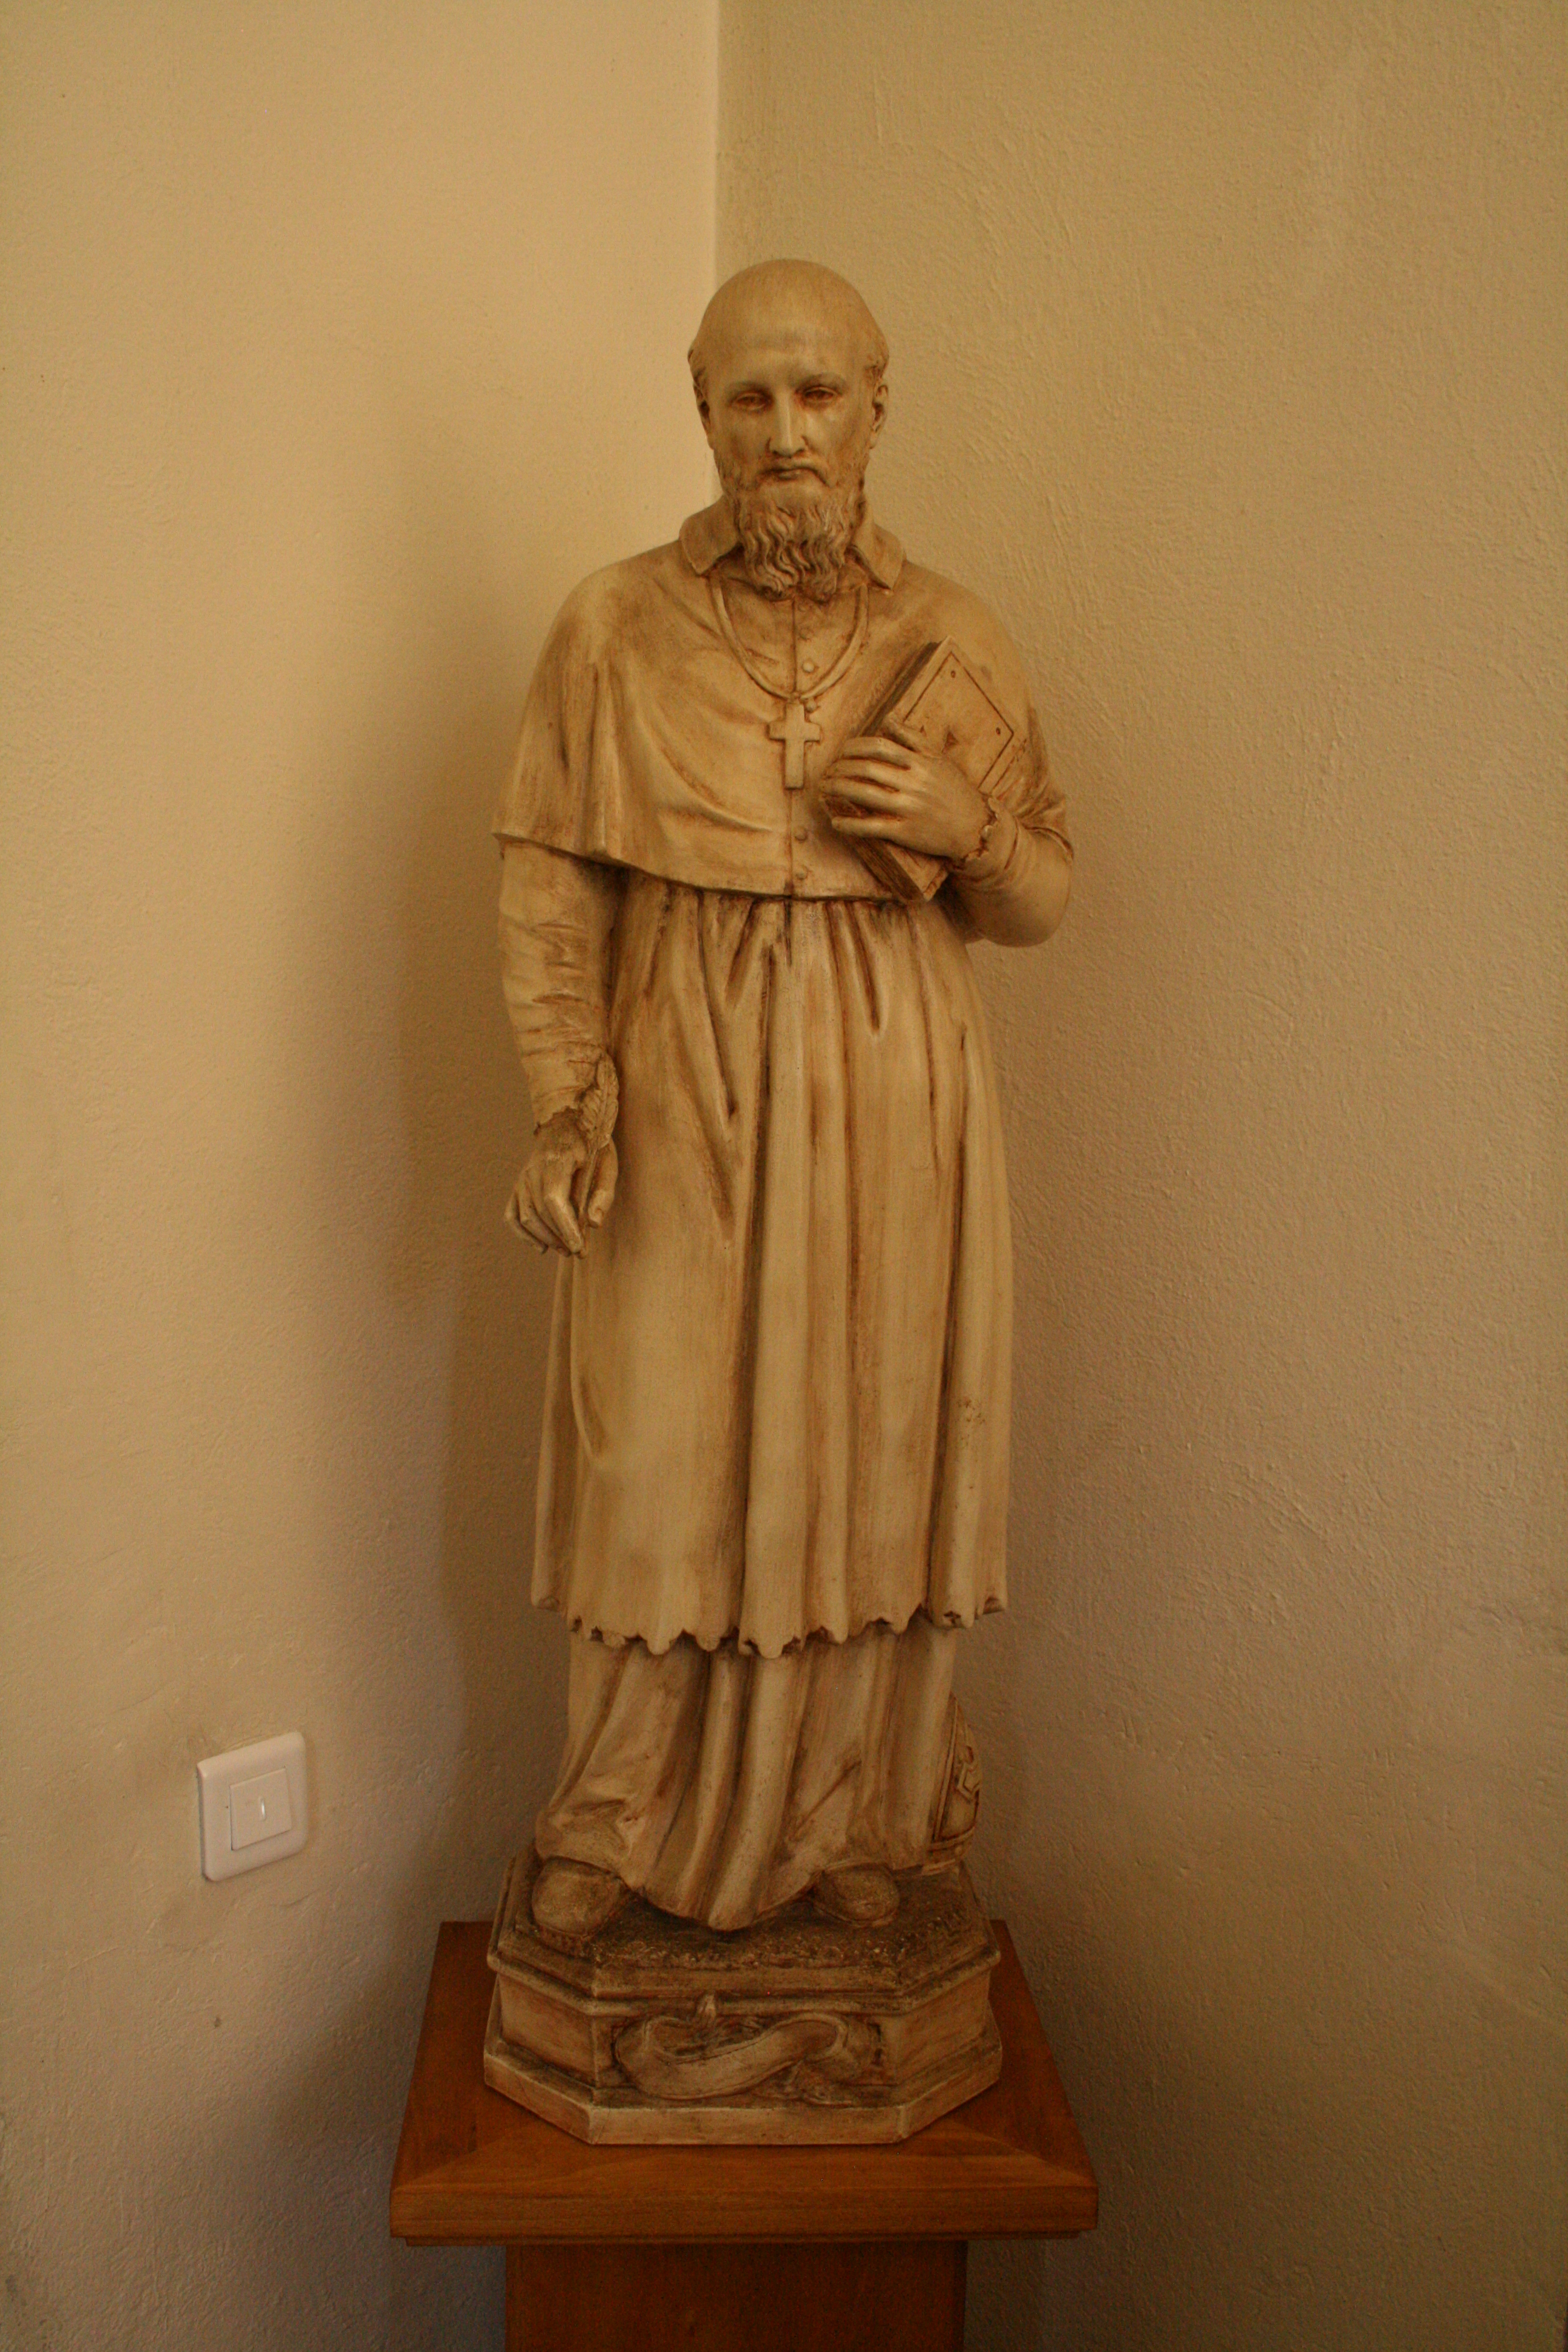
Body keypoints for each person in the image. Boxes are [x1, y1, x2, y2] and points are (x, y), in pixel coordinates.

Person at [495, 261, 1071, 1951]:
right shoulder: (613, 627)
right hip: (678, 1082)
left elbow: (1040, 895)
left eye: (819, 394)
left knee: (871, 1453)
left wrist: (969, 826)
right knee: (657, 1450)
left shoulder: (953, 632)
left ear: (877, 409)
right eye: (749, 398)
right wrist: (566, 1100)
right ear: (704, 415)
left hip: (896, 1098)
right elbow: (550, 884)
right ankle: (613, 1814)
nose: (787, 433)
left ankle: (859, 1813)